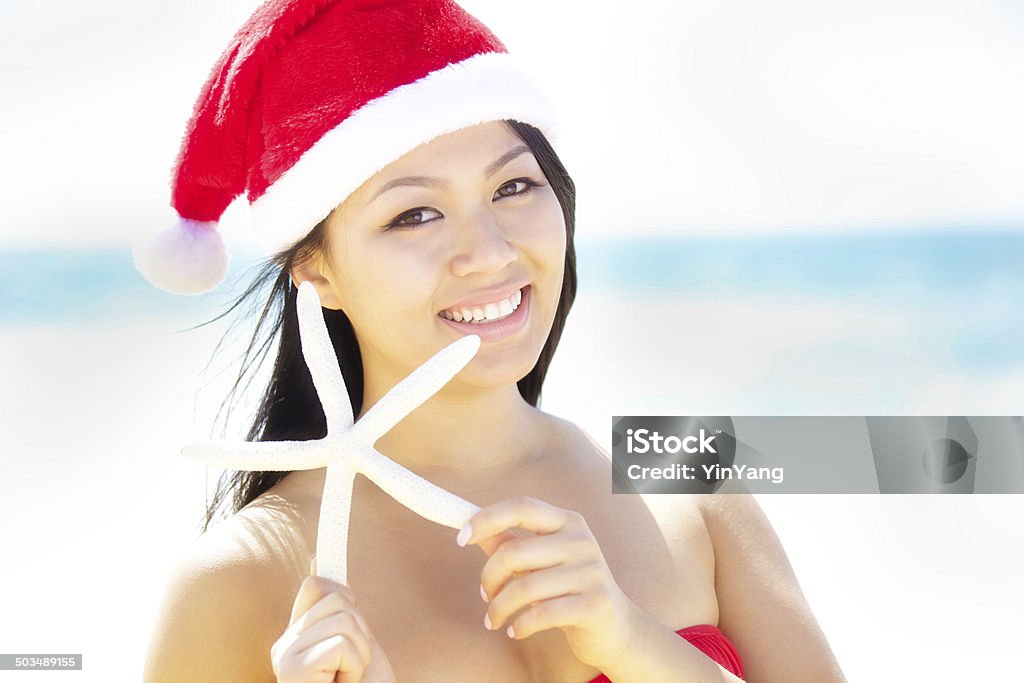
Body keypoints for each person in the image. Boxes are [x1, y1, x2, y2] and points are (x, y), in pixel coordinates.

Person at [140, 1, 846, 681]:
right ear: (316, 268)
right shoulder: (240, 580)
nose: (487, 252)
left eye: (513, 186)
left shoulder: (691, 476)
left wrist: (636, 642)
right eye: (415, 214)